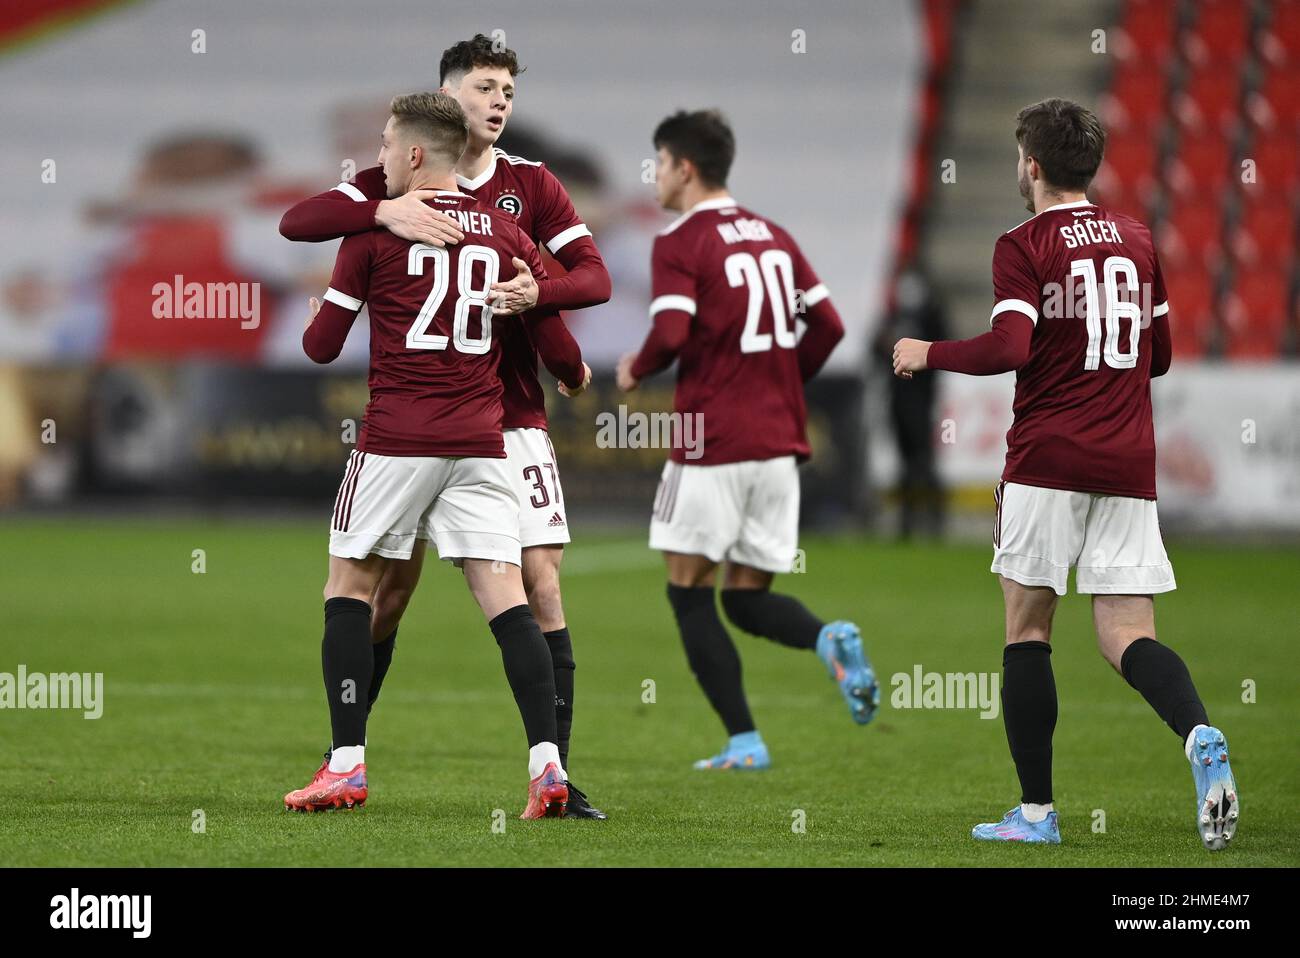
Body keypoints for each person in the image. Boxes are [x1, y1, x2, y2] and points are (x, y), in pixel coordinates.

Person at [892, 98, 1238, 850]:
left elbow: (1012, 345)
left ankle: (1038, 815)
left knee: (1028, 630)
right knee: (1126, 632)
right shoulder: (1138, 237)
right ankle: (1200, 732)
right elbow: (1163, 354)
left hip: (1048, 457)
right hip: (1126, 459)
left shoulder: (1022, 244)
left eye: (1021, 156)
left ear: (1033, 165)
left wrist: (930, 352)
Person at [279, 35, 612, 817]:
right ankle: (540, 766)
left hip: (436, 428)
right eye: (486, 87)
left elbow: (320, 340)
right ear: (450, 99)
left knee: (377, 584)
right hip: (480, 433)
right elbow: (306, 215)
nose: (500, 101)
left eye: (508, 90)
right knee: (478, 596)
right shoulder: (412, 202)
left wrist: (542, 310)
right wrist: (379, 206)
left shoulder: (523, 184)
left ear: (415, 148)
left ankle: (353, 761)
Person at [616, 110, 878, 771]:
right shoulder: (774, 235)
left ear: (685, 168)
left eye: (659, 161)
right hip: (778, 444)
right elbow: (829, 325)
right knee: (747, 598)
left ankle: (745, 742)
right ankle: (827, 640)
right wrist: (781, 381)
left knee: (687, 592)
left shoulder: (679, 241)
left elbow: (672, 335)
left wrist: (634, 367)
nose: (653, 175)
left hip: (712, 442)